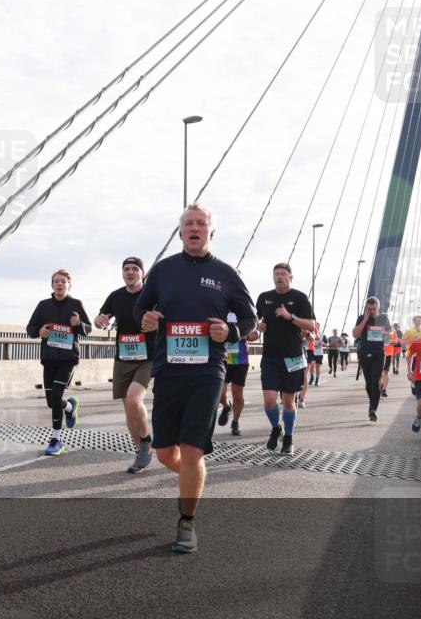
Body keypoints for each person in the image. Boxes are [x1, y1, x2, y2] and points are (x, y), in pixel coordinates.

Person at [135, 204, 256, 553]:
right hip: (168, 369)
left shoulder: (226, 274)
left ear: (211, 232)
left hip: (208, 371)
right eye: (188, 223)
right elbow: (140, 307)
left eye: (201, 223)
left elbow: (249, 319)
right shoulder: (163, 270)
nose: (194, 227)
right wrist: (146, 318)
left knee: (191, 450)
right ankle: (194, 476)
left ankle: (186, 521)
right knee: (163, 453)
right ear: (180, 232)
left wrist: (230, 331)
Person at [95, 257, 156, 473]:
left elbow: (166, 316)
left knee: (133, 400)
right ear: (122, 274)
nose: (130, 272)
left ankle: (147, 440)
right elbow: (101, 318)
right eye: (126, 269)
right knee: (128, 409)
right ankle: (141, 452)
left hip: (148, 356)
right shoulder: (116, 296)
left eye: (135, 269)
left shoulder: (151, 294)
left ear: (142, 273)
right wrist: (100, 321)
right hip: (123, 357)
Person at [27, 268, 92, 456]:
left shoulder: (76, 304)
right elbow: (30, 328)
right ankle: (70, 407)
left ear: (69, 284)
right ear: (52, 285)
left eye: (63, 281)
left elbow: (88, 329)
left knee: (56, 397)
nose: (60, 284)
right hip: (49, 359)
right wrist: (39, 332)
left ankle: (56, 440)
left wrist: (78, 323)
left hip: (68, 359)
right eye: (56, 281)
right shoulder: (43, 305)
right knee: (51, 401)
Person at [256, 262, 315, 456]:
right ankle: (276, 428)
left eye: (283, 274)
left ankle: (288, 438)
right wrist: (259, 327)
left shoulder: (299, 298)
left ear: (290, 277)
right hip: (270, 357)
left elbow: (311, 325)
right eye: (276, 274)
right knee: (269, 400)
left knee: (289, 401)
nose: (279, 277)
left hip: (293, 357)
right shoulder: (264, 298)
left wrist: (290, 316)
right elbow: (258, 324)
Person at [219, 311, 259, 437]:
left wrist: (241, 335)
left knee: (237, 394)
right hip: (222, 357)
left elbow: (255, 334)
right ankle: (226, 406)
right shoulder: (220, 309)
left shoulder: (243, 311)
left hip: (239, 359)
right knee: (219, 392)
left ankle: (235, 422)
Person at [352, 296, 393, 421]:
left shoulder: (384, 318)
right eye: (369, 309)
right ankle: (372, 403)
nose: (371, 311)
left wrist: (387, 334)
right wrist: (365, 319)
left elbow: (390, 336)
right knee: (368, 384)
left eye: (373, 309)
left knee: (375, 382)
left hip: (379, 354)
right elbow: (355, 334)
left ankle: (373, 409)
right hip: (365, 354)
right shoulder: (361, 318)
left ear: (378, 307)